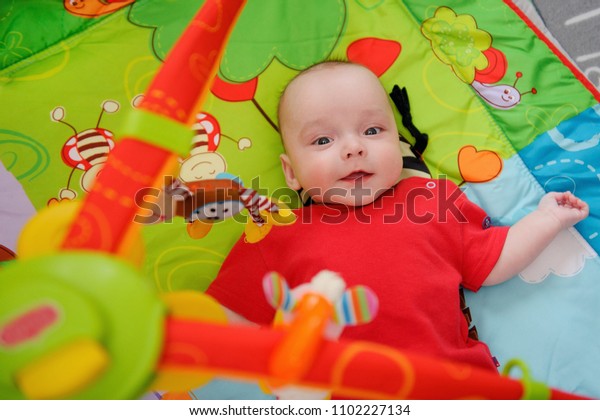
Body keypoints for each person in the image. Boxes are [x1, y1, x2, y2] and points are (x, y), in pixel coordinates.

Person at [205, 61, 589, 373]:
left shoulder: (431, 200)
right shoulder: (277, 234)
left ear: (397, 141)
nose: (354, 148)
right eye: (323, 140)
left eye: (372, 130)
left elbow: (491, 260)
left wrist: (546, 219)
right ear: (291, 173)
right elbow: (220, 321)